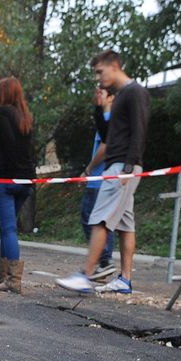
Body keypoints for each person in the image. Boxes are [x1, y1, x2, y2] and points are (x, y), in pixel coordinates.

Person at [58, 50, 150, 295]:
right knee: (125, 225)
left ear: (115, 65)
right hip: (119, 165)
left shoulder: (135, 92)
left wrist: (129, 167)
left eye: (100, 71)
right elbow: (108, 134)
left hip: (122, 167)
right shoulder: (119, 96)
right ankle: (125, 280)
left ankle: (85, 275)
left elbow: (140, 130)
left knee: (99, 219)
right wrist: (99, 109)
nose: (98, 78)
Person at [0, 76, 36, 294]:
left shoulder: (1, 113)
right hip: (26, 180)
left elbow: (7, 145)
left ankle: (12, 281)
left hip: (7, 179)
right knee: (7, 228)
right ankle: (5, 278)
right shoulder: (25, 116)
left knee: (8, 228)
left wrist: (3, 174)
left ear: (4, 94)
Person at [78, 84, 116, 276]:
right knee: (100, 220)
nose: (96, 96)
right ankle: (103, 261)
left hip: (99, 179)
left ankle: (103, 260)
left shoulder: (109, 118)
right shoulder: (106, 118)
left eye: (100, 92)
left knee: (90, 218)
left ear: (111, 98)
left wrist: (89, 169)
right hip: (102, 178)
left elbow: (105, 148)